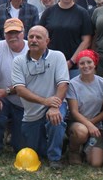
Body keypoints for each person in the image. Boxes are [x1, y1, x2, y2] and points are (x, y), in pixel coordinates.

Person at [11, 26, 70, 170]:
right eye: (31, 37)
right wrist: (45, 101)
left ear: (47, 41)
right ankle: (60, 142)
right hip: (32, 113)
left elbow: (63, 84)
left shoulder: (58, 56)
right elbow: (20, 90)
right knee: (33, 150)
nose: (34, 40)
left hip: (55, 104)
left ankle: (55, 158)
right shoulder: (18, 61)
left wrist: (54, 106)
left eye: (38, 37)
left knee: (55, 120)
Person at [0, 18, 28, 154]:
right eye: (9, 33)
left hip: (25, 103)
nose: (13, 36)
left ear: (23, 33)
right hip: (4, 99)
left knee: (20, 148)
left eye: (16, 32)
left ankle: (13, 134)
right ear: (4, 35)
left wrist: (7, 91)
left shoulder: (31, 49)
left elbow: (29, 82)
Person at [39, 0, 92, 78]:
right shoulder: (49, 12)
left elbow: (86, 40)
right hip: (50, 64)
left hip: (74, 66)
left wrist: (71, 61)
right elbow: (40, 35)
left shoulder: (82, 13)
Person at [66, 50, 103, 167]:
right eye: (82, 63)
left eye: (89, 62)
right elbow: (74, 111)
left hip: (96, 126)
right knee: (82, 131)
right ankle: (73, 151)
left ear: (95, 63)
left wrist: (92, 124)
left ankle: (86, 148)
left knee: (96, 163)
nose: (86, 66)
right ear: (78, 65)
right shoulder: (72, 84)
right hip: (77, 124)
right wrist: (88, 125)